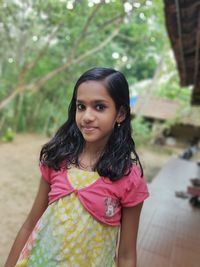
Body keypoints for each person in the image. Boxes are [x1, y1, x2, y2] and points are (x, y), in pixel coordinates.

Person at [4, 67, 149, 267]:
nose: (87, 116)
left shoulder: (128, 178)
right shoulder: (57, 160)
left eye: (99, 107)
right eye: (81, 107)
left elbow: (126, 255)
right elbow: (30, 225)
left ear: (121, 113)